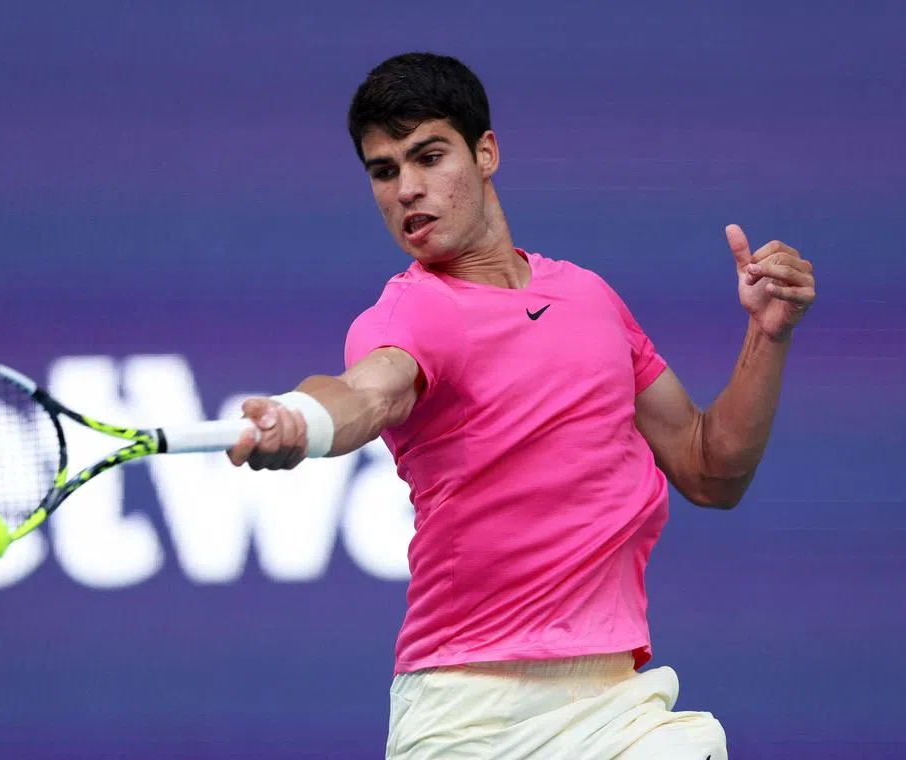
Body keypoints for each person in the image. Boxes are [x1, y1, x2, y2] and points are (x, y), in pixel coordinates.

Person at [227, 52, 815, 759]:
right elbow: (365, 390)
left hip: (617, 703)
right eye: (384, 172)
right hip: (469, 712)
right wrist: (305, 421)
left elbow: (709, 468)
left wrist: (767, 334)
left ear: (485, 153)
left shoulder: (590, 299)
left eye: (428, 156)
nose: (408, 189)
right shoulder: (413, 314)